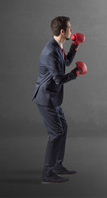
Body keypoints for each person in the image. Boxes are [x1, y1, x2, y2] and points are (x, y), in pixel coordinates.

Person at [32, 16, 87, 184]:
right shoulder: (50, 51)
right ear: (62, 31)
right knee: (55, 133)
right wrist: (76, 73)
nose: (72, 30)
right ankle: (47, 174)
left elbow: (66, 62)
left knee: (63, 128)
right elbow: (58, 79)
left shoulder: (58, 46)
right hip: (46, 98)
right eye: (70, 28)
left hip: (53, 97)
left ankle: (57, 165)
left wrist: (75, 45)